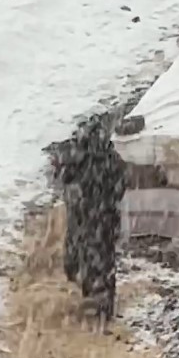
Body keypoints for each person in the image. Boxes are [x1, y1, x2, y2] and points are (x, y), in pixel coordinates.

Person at [56, 116, 126, 323]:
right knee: (102, 260)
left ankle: (94, 300)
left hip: (86, 216)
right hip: (102, 217)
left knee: (86, 255)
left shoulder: (78, 157)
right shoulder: (111, 159)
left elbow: (64, 178)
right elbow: (120, 186)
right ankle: (102, 305)